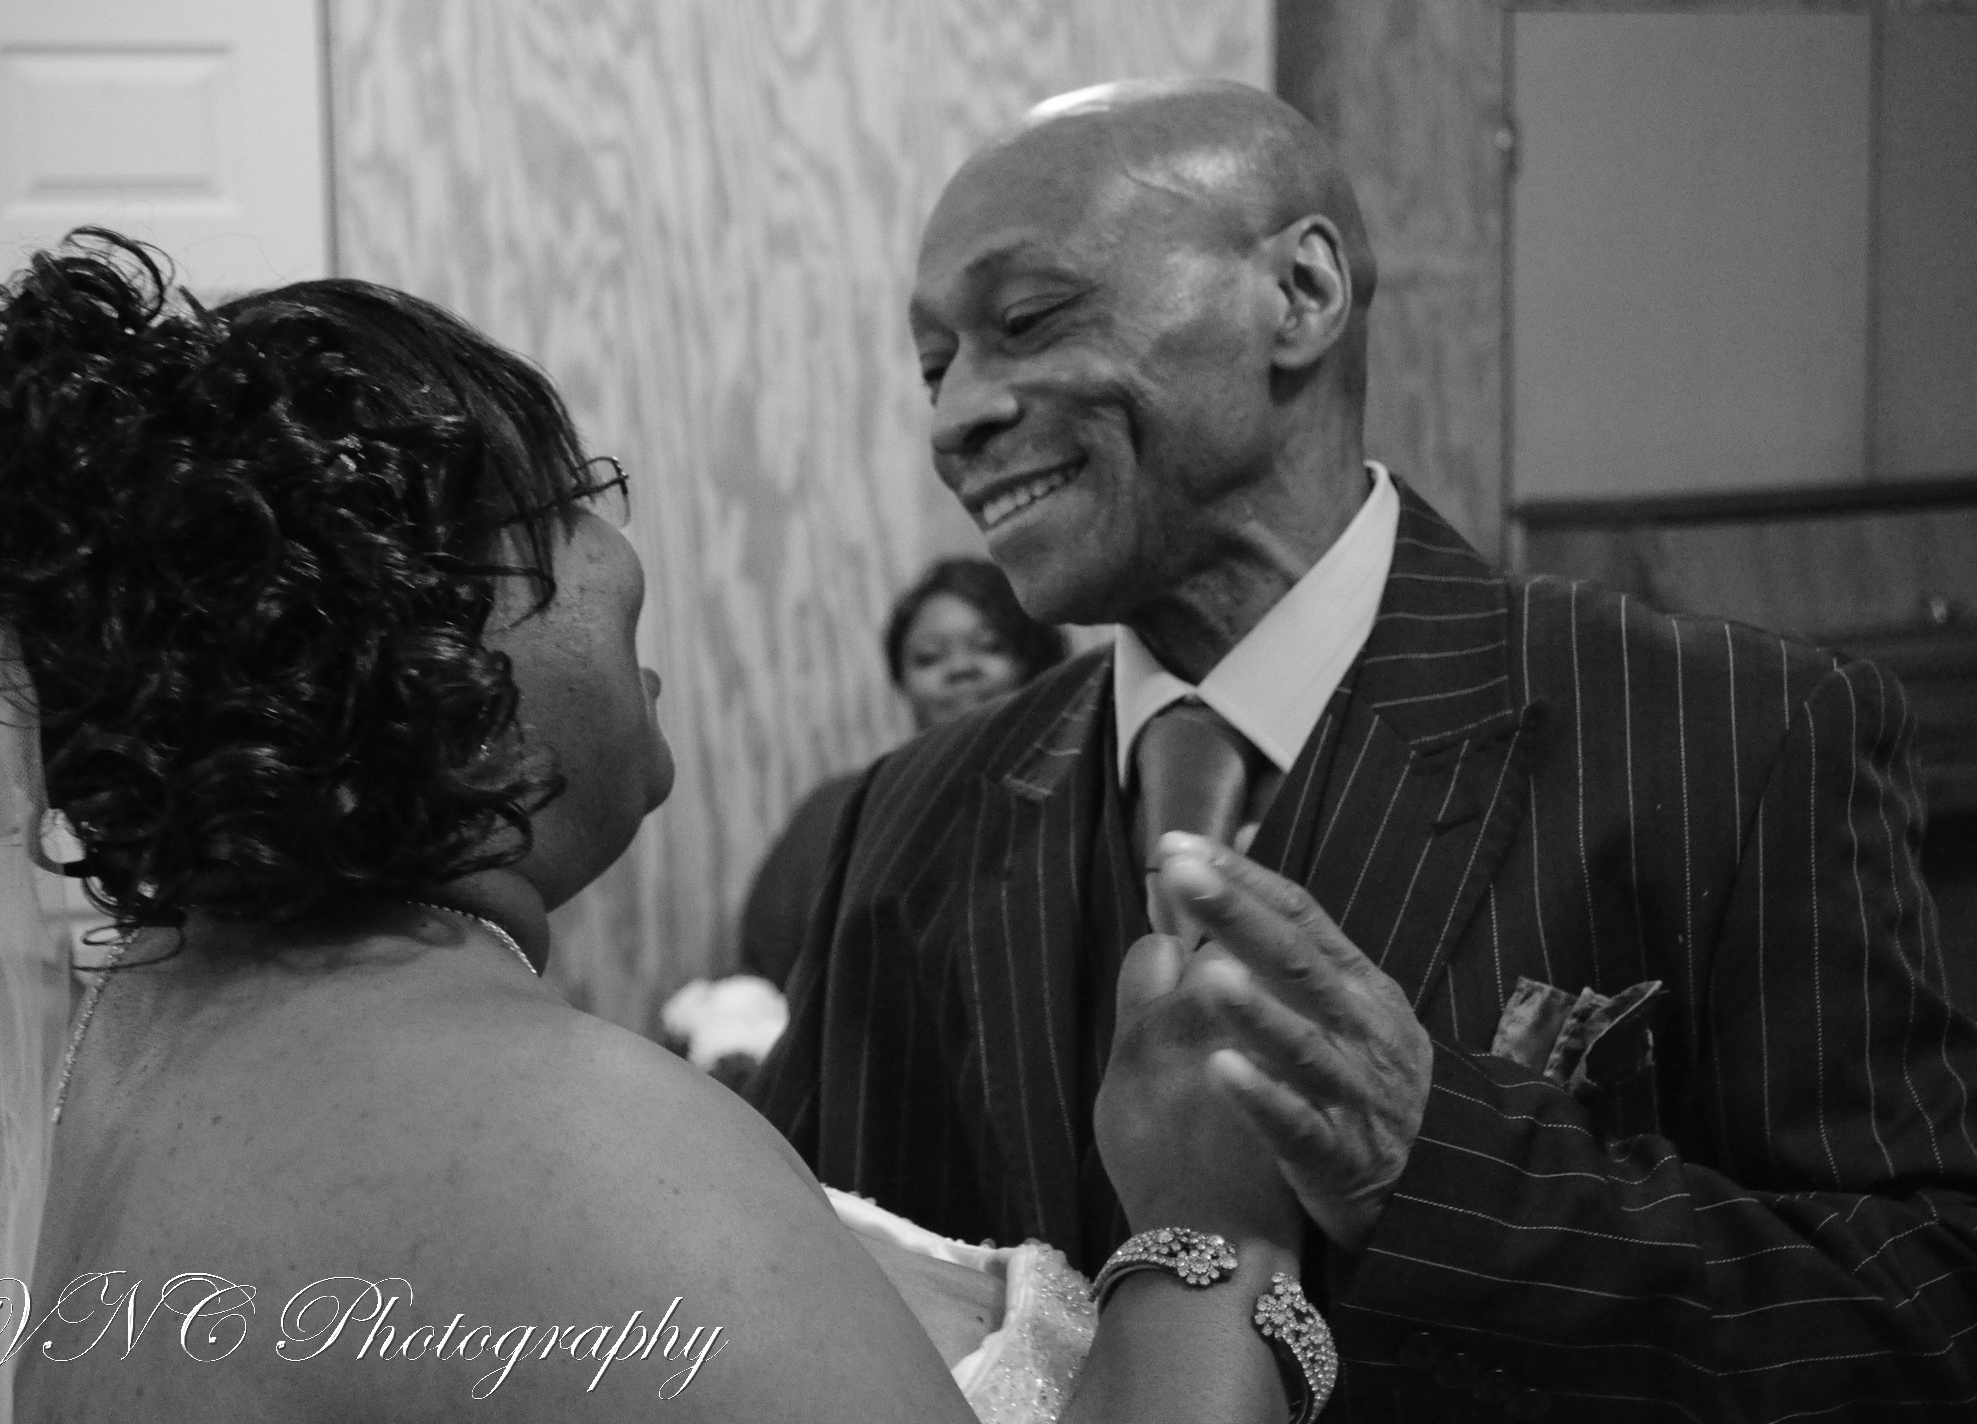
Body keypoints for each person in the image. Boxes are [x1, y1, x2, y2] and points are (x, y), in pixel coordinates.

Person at [0, 233, 1311, 1424]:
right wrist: (1214, 1226)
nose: (623, 553)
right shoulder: (564, 1139)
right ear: (437, 637)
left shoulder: (112, 1064)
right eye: (573, 497)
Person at [749, 78, 1977, 1418]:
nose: (955, 418)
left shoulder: (1735, 731)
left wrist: (1433, 1167)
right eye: (935, 366)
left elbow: (1928, 1316)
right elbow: (798, 1301)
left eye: (1028, 320)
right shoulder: (906, 820)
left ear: (1301, 293)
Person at [738, 557, 1066, 986]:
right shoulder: (840, 812)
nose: (960, 668)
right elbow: (764, 974)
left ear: (1040, 666)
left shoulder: (1080, 799)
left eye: (990, 647)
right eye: (928, 658)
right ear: (903, 683)